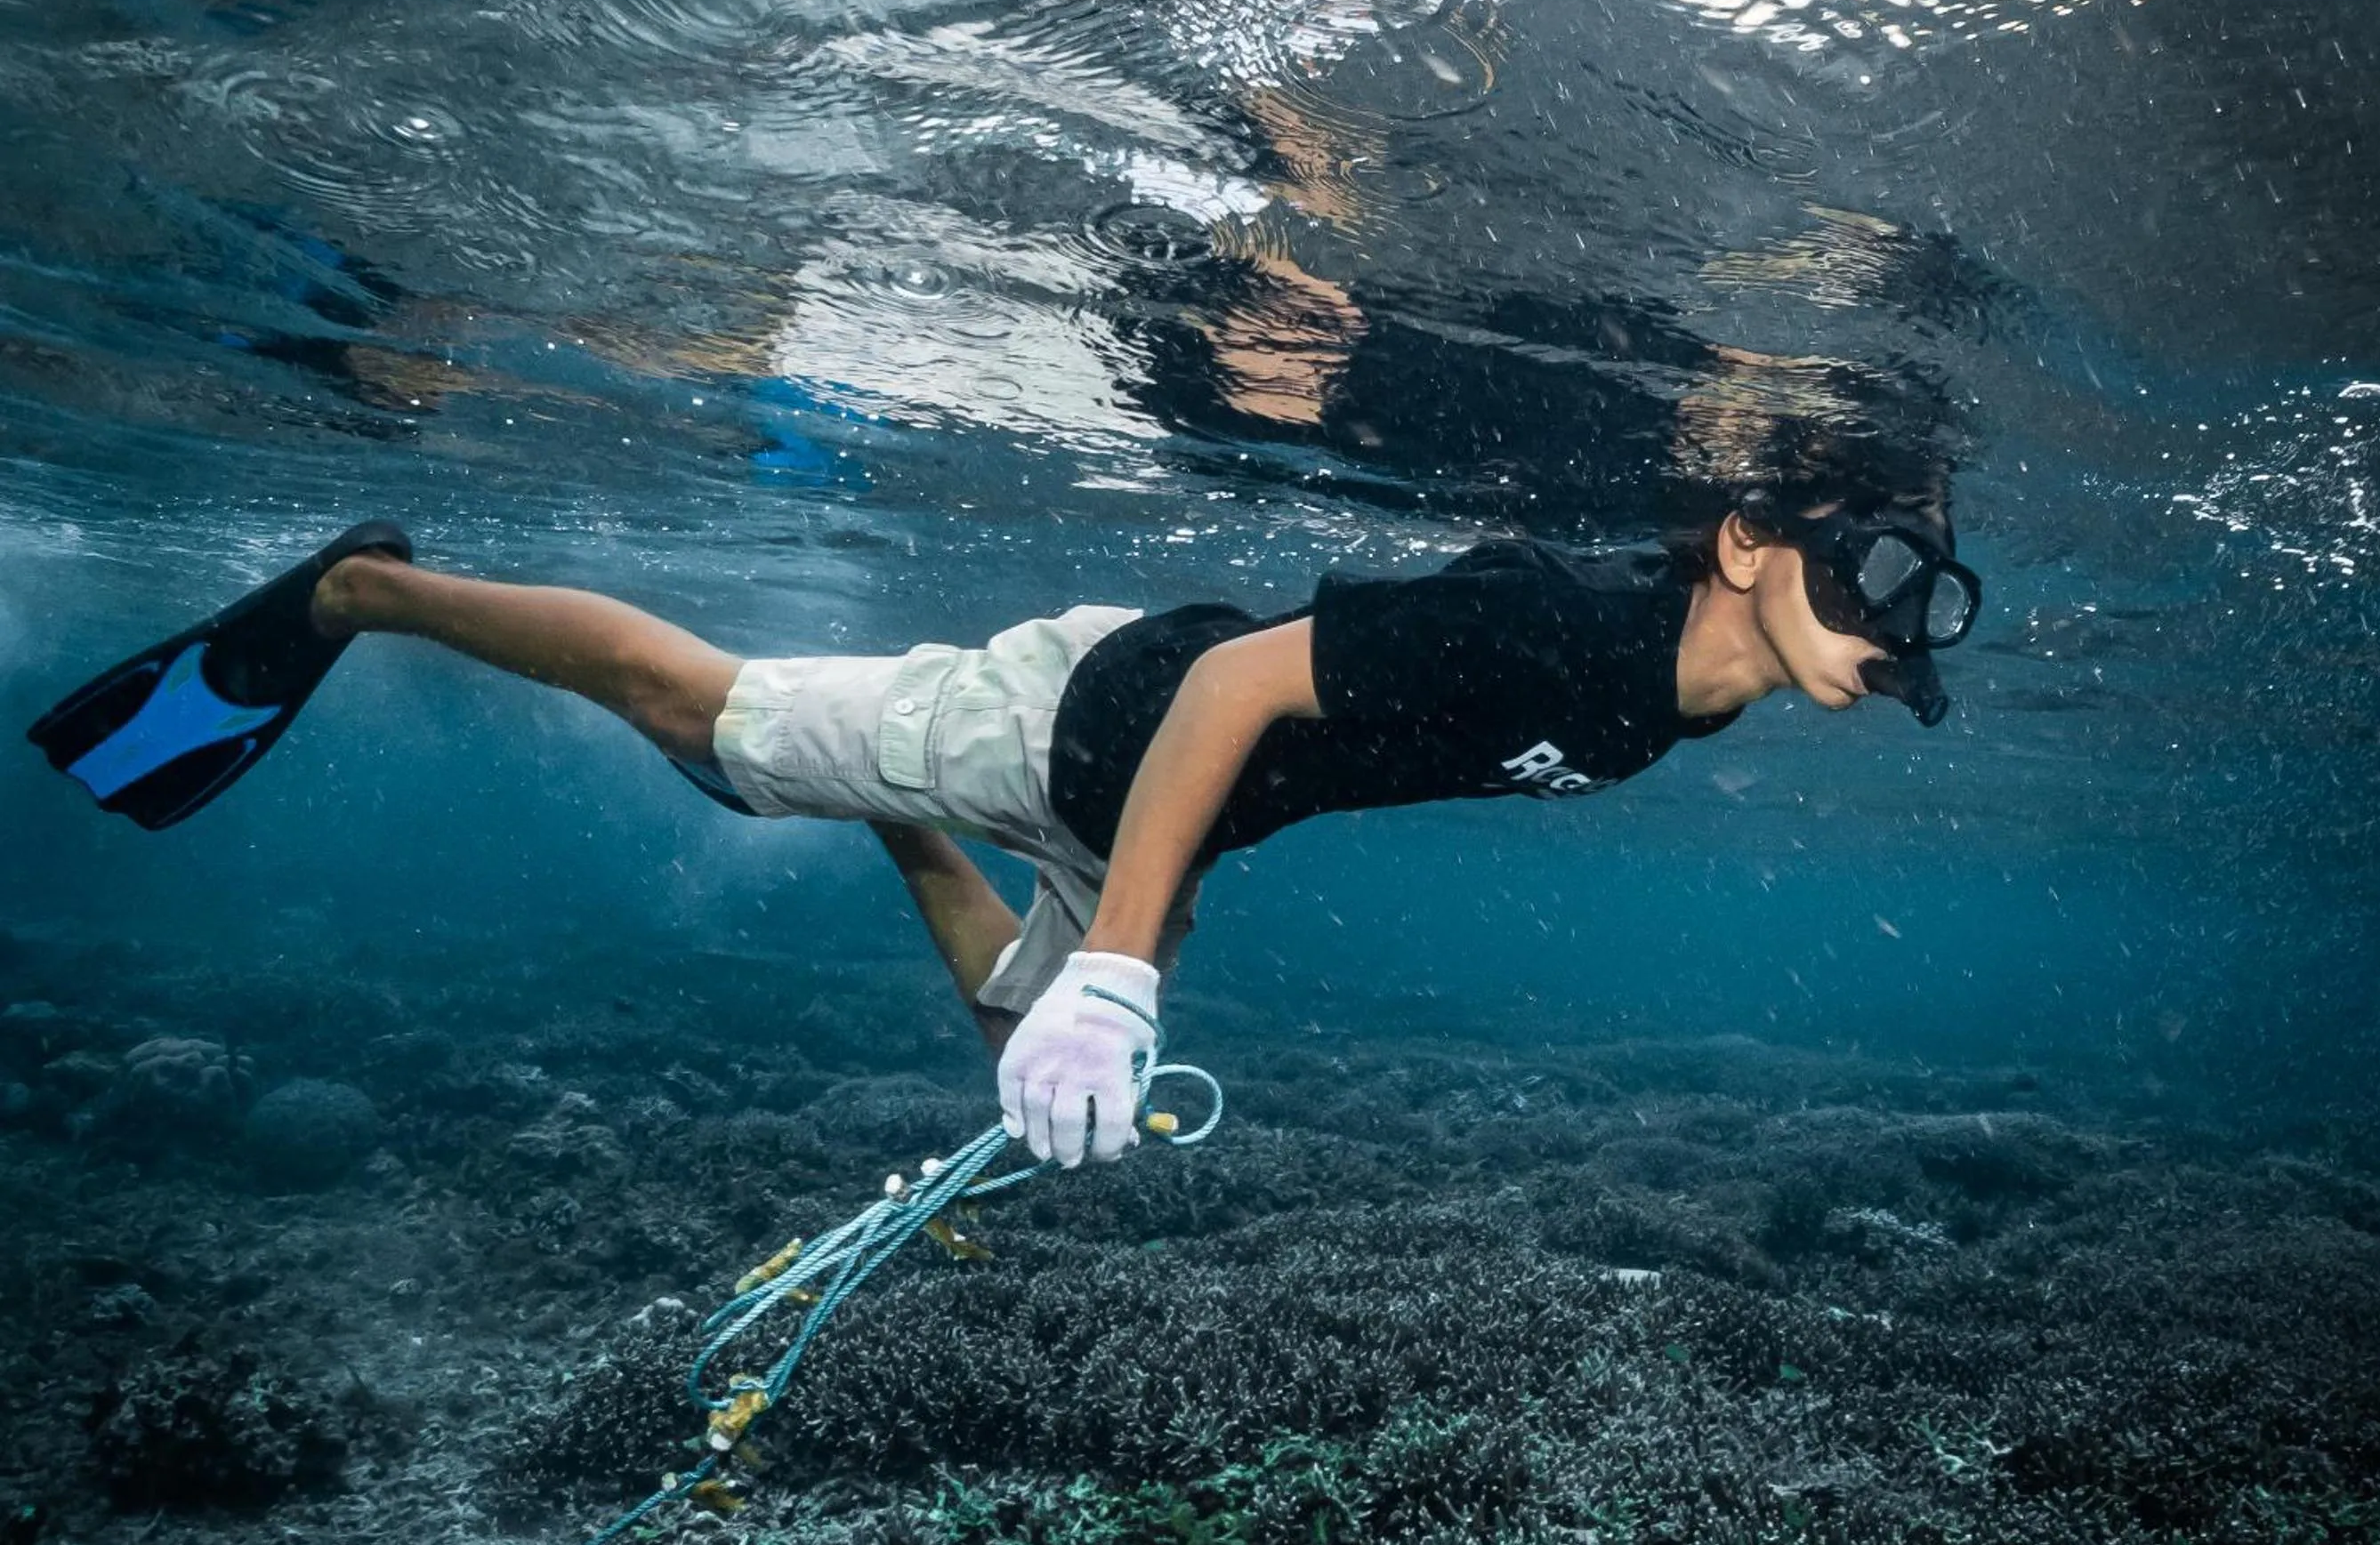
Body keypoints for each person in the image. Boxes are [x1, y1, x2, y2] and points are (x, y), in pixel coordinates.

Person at [27, 489, 1979, 1169]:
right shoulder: (1565, 623)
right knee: (698, 720)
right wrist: (1126, 967)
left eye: (1910, 640)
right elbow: (1235, 690)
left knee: (1027, 1076)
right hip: (1094, 724)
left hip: (1175, 819)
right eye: (1857, 594)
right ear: (1745, 538)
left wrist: (1131, 942)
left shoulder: (1681, 705)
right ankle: (366, 593)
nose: (1879, 653)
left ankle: (891, 812)